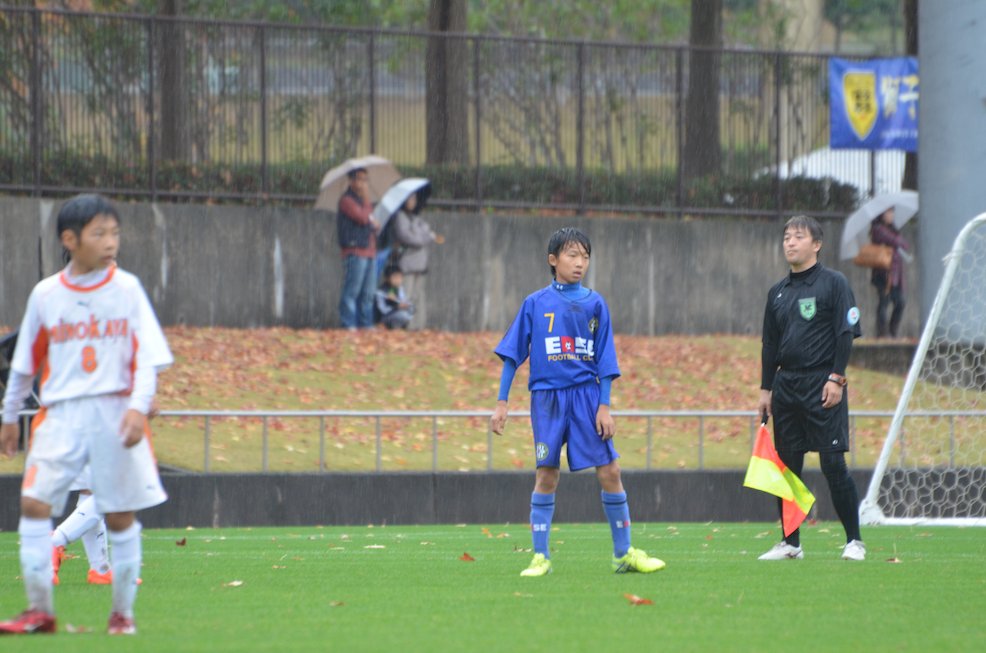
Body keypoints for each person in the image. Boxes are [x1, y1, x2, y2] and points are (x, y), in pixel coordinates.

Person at [0, 193, 172, 635]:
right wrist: (8, 416)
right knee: (34, 504)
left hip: (115, 414)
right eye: (100, 233)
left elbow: (148, 359)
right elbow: (23, 364)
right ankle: (40, 611)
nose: (111, 241)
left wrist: (137, 408)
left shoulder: (128, 289)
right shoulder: (47, 294)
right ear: (70, 239)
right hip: (60, 417)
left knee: (117, 513)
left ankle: (122, 616)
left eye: (114, 232)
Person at [490, 227, 665, 577]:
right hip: (547, 399)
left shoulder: (596, 303)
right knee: (547, 475)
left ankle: (623, 553)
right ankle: (540, 557)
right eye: (572, 255)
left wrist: (604, 405)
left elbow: (605, 360)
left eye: (585, 256)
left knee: (611, 470)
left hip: (586, 398)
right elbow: (512, 356)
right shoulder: (535, 303)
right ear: (553, 260)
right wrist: (502, 402)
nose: (580, 262)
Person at [757, 215, 865, 562]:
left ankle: (854, 542)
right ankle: (791, 544)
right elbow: (769, 345)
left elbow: (845, 334)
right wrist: (765, 389)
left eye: (798, 237)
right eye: (786, 236)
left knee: (833, 464)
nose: (790, 242)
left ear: (816, 244)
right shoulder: (777, 292)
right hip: (786, 387)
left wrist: (837, 377)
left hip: (823, 385)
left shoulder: (834, 284)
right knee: (787, 468)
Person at [389, 193, 443, 330]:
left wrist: (422, 234)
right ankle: (399, 325)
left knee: (416, 297)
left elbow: (427, 230)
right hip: (407, 263)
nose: (412, 202)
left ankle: (413, 326)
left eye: (414, 199)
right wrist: (427, 237)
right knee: (404, 296)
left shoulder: (415, 218)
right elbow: (410, 238)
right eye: (409, 199)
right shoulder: (400, 217)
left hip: (420, 263)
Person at [337, 167, 380, 330]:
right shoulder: (347, 201)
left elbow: (368, 221)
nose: (363, 184)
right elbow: (362, 218)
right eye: (360, 179)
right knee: (352, 291)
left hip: (369, 252)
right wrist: (368, 201)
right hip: (355, 251)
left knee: (368, 294)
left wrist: (374, 225)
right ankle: (348, 325)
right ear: (352, 181)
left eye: (365, 180)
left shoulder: (363, 203)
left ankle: (366, 325)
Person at [869, 208, 911, 338]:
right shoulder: (878, 230)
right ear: (881, 215)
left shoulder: (892, 229)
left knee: (900, 302)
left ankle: (892, 332)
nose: (891, 215)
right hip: (883, 273)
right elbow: (897, 242)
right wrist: (899, 241)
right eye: (888, 213)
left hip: (896, 274)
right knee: (884, 302)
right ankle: (882, 333)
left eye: (892, 212)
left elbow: (904, 244)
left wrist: (900, 242)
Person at [375, 266, 414, 330]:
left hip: (397, 312)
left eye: (400, 278)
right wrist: (396, 306)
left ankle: (399, 327)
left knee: (410, 309)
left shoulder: (399, 288)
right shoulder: (381, 292)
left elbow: (404, 300)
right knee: (402, 315)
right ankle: (392, 328)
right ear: (387, 278)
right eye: (395, 277)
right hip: (385, 317)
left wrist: (406, 305)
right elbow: (382, 310)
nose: (398, 280)